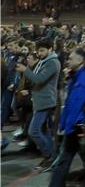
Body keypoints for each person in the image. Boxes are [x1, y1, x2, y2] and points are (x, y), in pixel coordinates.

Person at [48, 49, 85, 187]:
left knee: (72, 159)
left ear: (80, 61)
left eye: (71, 58)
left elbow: (76, 104)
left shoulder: (84, 79)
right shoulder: (75, 77)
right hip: (74, 126)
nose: (68, 61)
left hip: (77, 127)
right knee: (78, 159)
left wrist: (68, 126)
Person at [15, 36, 61, 169]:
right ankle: (53, 156)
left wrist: (25, 70)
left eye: (42, 50)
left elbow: (40, 79)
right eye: (38, 51)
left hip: (45, 101)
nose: (39, 53)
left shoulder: (52, 62)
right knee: (43, 130)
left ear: (50, 49)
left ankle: (49, 156)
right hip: (40, 99)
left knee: (33, 131)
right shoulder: (45, 60)